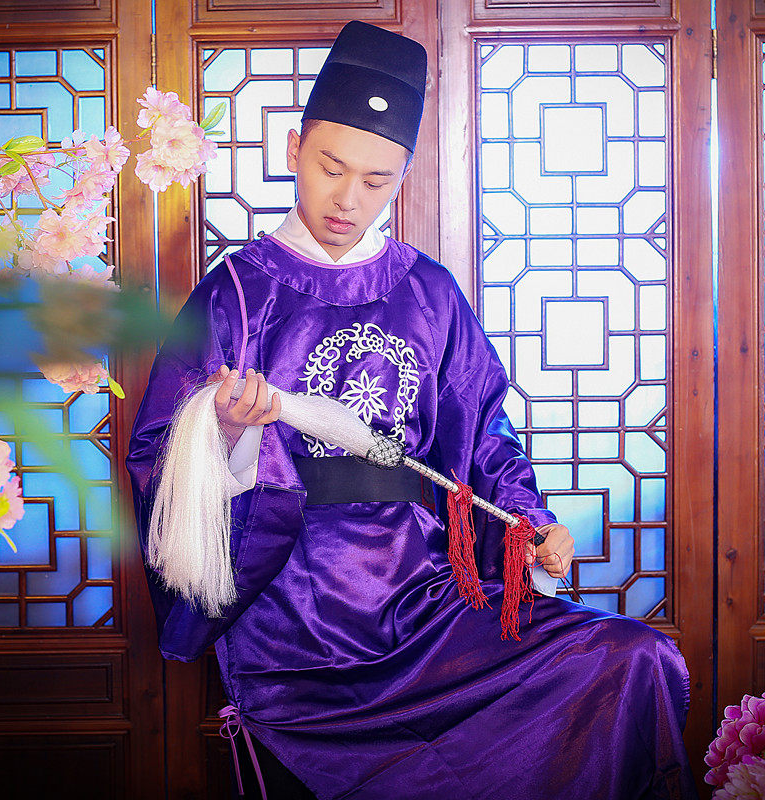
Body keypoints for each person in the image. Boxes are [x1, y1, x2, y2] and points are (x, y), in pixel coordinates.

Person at [127, 20, 697, 800]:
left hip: (428, 606)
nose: (348, 199)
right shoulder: (235, 293)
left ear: (403, 176)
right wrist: (222, 433)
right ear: (294, 149)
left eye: (377, 181)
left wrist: (530, 525)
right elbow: (160, 456)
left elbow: (486, 436)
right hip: (297, 622)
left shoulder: (429, 293)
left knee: (635, 657)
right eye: (331, 167)